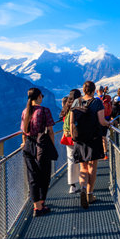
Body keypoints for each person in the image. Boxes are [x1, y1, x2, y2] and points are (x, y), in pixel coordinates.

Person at [70, 81, 110, 209]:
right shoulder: (97, 102)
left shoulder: (76, 102)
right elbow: (102, 121)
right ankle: (90, 194)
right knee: (92, 166)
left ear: (83, 90)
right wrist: (110, 124)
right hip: (94, 138)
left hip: (80, 139)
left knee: (83, 167)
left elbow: (71, 122)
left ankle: (82, 188)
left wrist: (73, 137)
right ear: (93, 91)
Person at [20, 88, 56, 217]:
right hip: (42, 145)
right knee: (44, 175)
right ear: (39, 97)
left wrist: (24, 143)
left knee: (33, 177)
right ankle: (41, 203)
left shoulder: (25, 111)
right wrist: (52, 145)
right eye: (42, 95)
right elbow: (50, 131)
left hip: (28, 145)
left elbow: (23, 131)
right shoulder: (44, 110)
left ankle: (37, 207)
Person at [60, 89, 82, 194]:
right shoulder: (78, 107)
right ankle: (83, 183)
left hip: (68, 138)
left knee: (71, 161)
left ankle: (72, 185)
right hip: (78, 136)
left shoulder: (66, 108)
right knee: (81, 159)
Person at [95, 85, 112, 159]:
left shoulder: (96, 99)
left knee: (99, 137)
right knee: (104, 136)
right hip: (107, 119)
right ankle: (105, 153)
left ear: (97, 91)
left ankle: (100, 153)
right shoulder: (107, 99)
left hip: (98, 120)